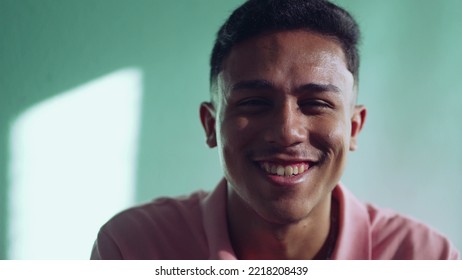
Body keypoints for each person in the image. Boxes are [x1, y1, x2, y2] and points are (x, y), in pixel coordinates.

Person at [91, 0, 459, 260]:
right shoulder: (132, 250)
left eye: (315, 104)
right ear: (210, 125)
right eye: (254, 102)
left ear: (354, 127)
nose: (287, 132)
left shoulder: (424, 259)